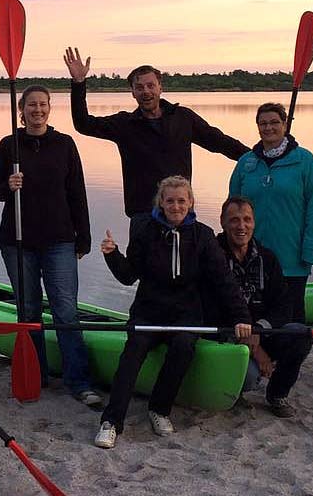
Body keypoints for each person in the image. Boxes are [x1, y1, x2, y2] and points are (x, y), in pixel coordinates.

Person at [94, 176, 251, 449]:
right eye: (170, 201)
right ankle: (111, 422)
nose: (176, 206)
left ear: (190, 203)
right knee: (133, 353)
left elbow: (223, 280)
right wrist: (112, 254)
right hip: (148, 312)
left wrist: (242, 317)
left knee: (183, 348)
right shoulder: (144, 230)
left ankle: (159, 409)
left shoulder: (202, 235)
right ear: (161, 203)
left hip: (185, 315)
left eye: (181, 201)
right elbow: (128, 276)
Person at [0, 85, 101, 407]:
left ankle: (78, 381)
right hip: (17, 240)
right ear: (21, 110)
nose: (37, 110)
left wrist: (84, 236)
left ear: (50, 109)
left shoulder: (64, 144)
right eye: (31, 105)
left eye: (43, 105)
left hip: (60, 240)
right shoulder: (9, 145)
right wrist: (8, 186)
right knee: (29, 311)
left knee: (65, 309)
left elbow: (77, 191)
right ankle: (36, 374)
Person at [65, 47, 249, 217]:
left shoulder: (183, 118)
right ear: (133, 93)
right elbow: (83, 124)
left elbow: (220, 142)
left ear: (161, 87)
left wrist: (256, 156)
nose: (146, 92)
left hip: (180, 212)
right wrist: (79, 83)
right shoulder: (124, 124)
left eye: (150, 86)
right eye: (139, 87)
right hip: (142, 213)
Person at [215, 196, 313, 418]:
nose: (242, 226)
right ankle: (235, 386)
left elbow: (284, 304)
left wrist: (259, 329)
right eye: (234, 220)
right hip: (227, 336)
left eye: (247, 220)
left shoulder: (267, 258)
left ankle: (277, 394)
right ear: (222, 222)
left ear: (254, 223)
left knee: (301, 334)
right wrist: (256, 350)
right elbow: (211, 307)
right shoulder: (212, 256)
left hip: (261, 332)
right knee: (249, 378)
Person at [227, 102, 313, 323]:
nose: (268, 128)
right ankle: (260, 357)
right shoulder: (246, 162)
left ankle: (293, 356)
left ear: (285, 125)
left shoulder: (304, 160)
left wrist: (311, 250)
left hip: (292, 254)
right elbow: (231, 211)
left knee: (292, 314)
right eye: (263, 123)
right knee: (256, 313)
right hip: (252, 254)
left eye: (274, 122)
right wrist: (231, 249)